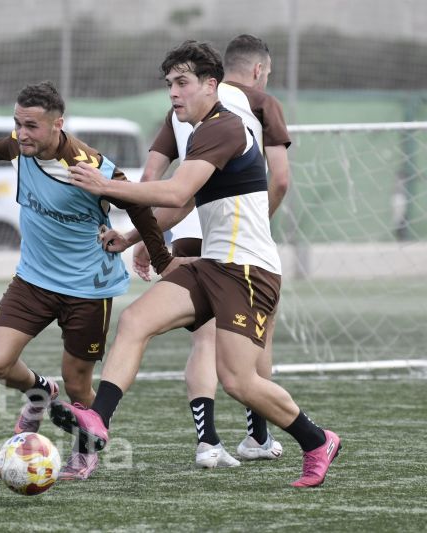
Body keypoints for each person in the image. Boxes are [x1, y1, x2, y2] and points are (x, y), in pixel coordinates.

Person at [49, 41, 341, 488]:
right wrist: (132, 237)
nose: (173, 93)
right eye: (169, 84)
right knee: (135, 320)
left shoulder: (224, 128)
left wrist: (105, 185)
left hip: (248, 271)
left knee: (239, 382)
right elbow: (182, 202)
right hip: (209, 264)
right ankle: (98, 420)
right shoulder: (203, 130)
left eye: (182, 83)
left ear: (212, 85)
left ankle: (318, 440)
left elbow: (173, 192)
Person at [0, 81, 175, 480]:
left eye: (32, 125)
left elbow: (139, 205)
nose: (22, 133)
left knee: (79, 384)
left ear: (58, 125)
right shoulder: (20, 146)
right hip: (32, 280)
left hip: (87, 288)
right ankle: (38, 392)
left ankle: (85, 452)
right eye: (18, 123)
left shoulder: (90, 167)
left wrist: (161, 259)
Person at [110, 34, 291, 468]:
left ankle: (208, 441)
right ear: (258, 70)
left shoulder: (180, 108)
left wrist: (144, 237)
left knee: (202, 342)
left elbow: (152, 174)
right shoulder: (258, 103)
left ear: (212, 75)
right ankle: (258, 437)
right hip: (229, 238)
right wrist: (255, 222)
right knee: (250, 343)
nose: (175, 89)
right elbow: (280, 179)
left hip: (179, 224)